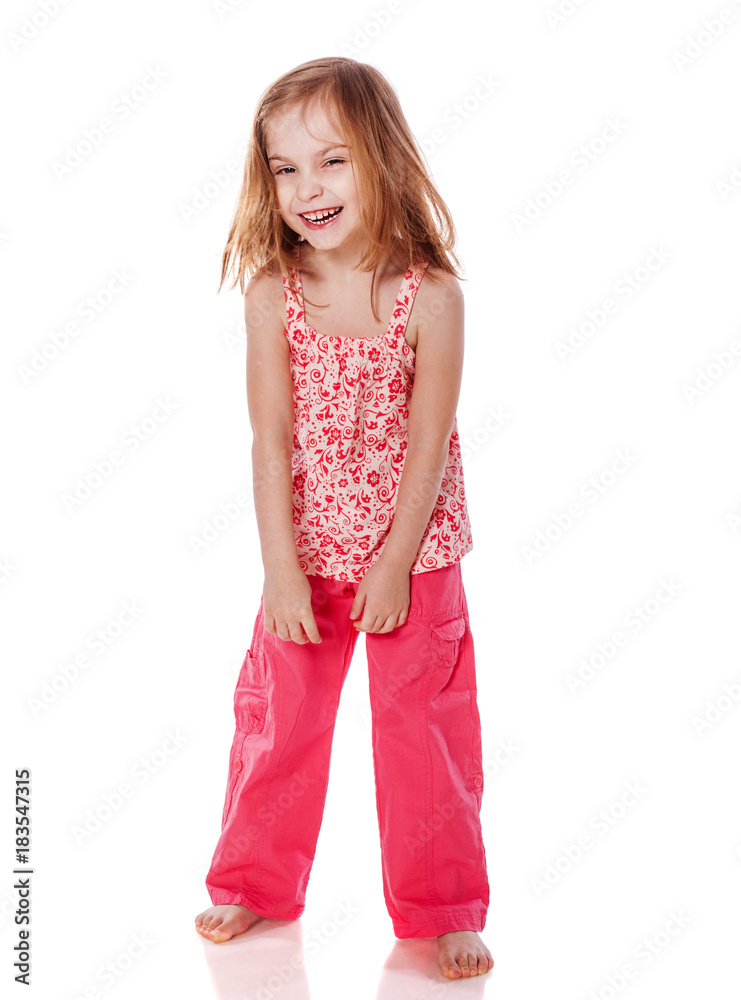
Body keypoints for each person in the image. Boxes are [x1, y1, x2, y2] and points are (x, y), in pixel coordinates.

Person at [194, 56, 493, 980]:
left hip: (415, 554)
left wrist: (396, 563)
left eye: (332, 161)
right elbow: (270, 440)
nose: (308, 188)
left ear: (381, 155)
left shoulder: (431, 297)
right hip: (309, 551)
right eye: (285, 168)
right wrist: (281, 571)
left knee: (424, 732)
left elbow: (429, 443)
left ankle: (443, 908)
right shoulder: (272, 295)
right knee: (279, 723)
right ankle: (253, 883)